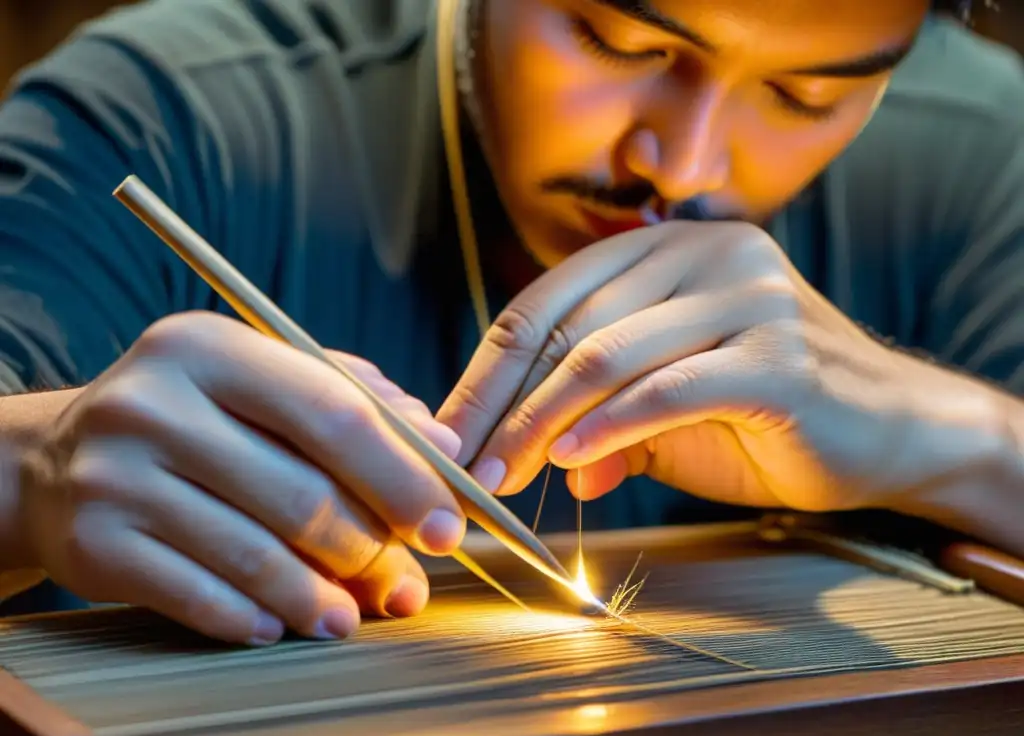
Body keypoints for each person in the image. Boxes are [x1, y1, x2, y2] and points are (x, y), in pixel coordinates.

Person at [0, 0, 1021, 646]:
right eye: (618, 39)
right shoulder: (172, 115)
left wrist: (959, 439)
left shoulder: (979, 157)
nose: (684, 164)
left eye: (804, 97)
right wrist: (30, 470)